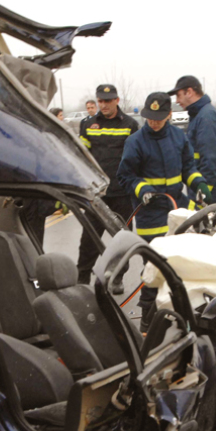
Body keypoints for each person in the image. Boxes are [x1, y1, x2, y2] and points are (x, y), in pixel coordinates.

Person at [116, 92, 210, 331]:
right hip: (150, 215)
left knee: (179, 265)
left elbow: (189, 167)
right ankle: (147, 322)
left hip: (176, 210)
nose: (154, 122)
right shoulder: (135, 141)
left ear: (169, 115)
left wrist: (198, 184)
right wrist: (142, 189)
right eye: (150, 117)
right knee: (155, 268)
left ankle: (181, 316)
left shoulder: (179, 137)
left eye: (159, 117)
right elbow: (125, 176)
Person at [76, 83, 140, 289]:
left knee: (122, 238)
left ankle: (118, 276)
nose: (103, 105)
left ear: (117, 101)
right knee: (89, 238)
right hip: (96, 194)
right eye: (100, 101)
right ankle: (82, 277)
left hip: (122, 192)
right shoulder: (87, 125)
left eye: (107, 101)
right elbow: (81, 157)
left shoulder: (130, 125)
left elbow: (136, 158)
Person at [170, 75, 216, 231]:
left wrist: (203, 196)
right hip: (214, 195)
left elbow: (210, 158)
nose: (177, 101)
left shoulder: (206, 116)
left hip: (214, 195)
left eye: (178, 95)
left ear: (190, 92)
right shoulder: (200, 114)